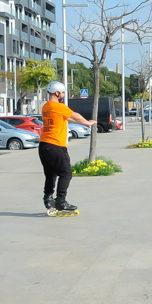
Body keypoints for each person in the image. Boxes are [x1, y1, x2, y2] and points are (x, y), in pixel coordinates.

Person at [39, 81, 97, 213]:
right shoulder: (58, 106)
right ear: (57, 93)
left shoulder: (46, 107)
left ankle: (48, 198)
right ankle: (61, 201)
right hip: (56, 145)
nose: (64, 95)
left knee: (50, 174)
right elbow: (75, 116)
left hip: (44, 145)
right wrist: (88, 122)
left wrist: (84, 123)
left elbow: (67, 118)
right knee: (66, 173)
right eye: (63, 92)